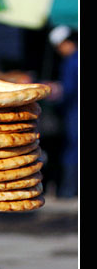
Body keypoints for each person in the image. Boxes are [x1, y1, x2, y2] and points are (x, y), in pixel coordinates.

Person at [49, 26, 78, 199]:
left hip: (74, 112)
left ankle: (68, 190)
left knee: (72, 150)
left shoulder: (72, 62)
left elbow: (68, 89)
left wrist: (54, 93)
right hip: (73, 110)